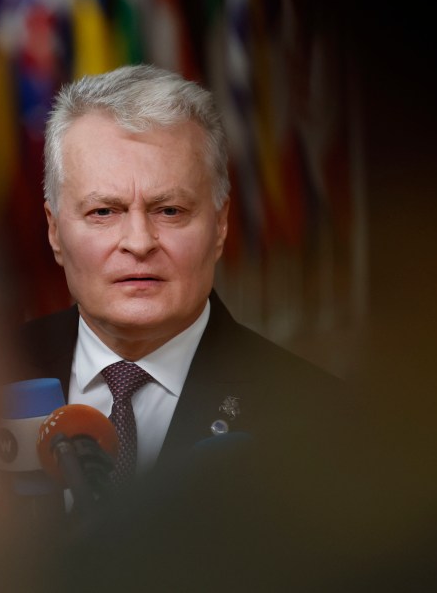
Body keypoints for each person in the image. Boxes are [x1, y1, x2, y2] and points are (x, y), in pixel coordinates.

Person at [19, 64, 344, 477]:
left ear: (220, 225)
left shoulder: (319, 418)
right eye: (104, 211)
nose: (139, 242)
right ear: (54, 230)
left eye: (170, 211)